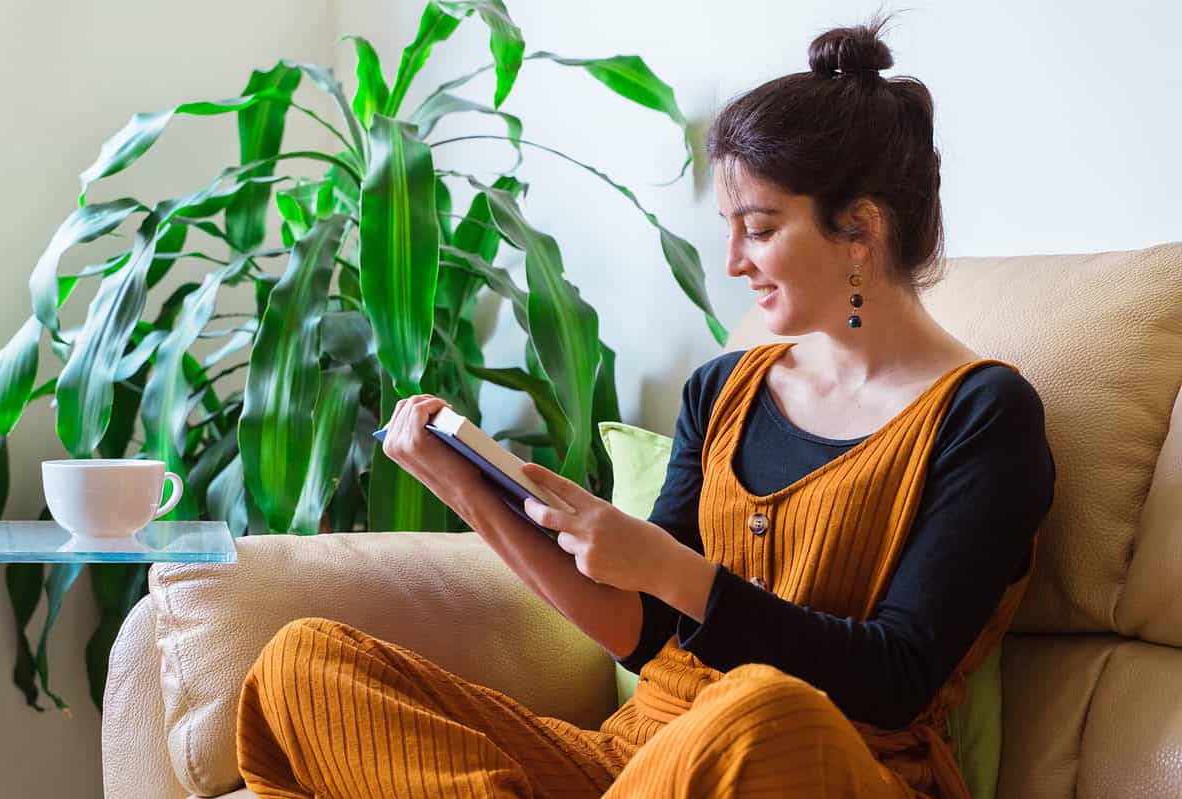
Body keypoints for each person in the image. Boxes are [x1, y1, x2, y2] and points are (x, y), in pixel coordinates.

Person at [235, 11, 1055, 798]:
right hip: (643, 755)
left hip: (811, 758)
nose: (732, 261)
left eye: (759, 229)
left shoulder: (985, 416)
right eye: (729, 228)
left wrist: (673, 569)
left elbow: (898, 677)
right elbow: (646, 632)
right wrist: (469, 488)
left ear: (860, 231)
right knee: (304, 665)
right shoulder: (724, 389)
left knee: (759, 707)